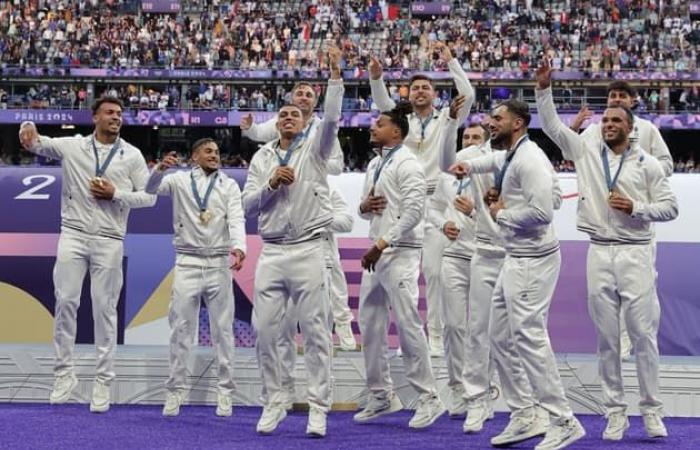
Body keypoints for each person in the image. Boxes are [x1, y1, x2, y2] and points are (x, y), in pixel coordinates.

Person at [536, 58, 678, 441]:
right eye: (606, 121)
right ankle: (615, 412)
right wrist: (544, 90)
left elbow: (671, 208)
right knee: (607, 339)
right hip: (599, 251)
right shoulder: (585, 149)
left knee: (644, 337)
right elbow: (550, 127)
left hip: (635, 251)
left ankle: (651, 412)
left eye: (617, 121)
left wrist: (638, 208)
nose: (609, 125)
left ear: (630, 129)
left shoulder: (647, 165)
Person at [449, 99, 585, 449]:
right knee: (500, 338)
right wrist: (469, 167)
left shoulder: (530, 160)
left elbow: (542, 213)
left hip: (532, 260)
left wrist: (500, 212)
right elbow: (495, 160)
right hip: (516, 257)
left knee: (529, 339)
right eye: (490, 117)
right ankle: (525, 412)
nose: (490, 122)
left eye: (497, 118)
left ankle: (562, 419)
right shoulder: (513, 153)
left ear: (519, 123)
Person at [18, 96, 155, 413]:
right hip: (74, 235)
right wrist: (26, 127)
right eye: (109, 112)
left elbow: (149, 197)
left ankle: (103, 382)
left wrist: (115, 194)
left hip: (109, 238)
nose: (115, 117)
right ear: (95, 117)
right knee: (66, 302)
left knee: (104, 310)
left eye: (119, 114)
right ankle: (64, 374)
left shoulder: (131, 155)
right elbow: (35, 142)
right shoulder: (73, 146)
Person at [241, 46, 344, 438]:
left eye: (295, 114)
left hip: (308, 248)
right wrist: (270, 184)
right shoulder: (262, 158)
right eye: (283, 113)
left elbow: (332, 118)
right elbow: (248, 204)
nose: (288, 117)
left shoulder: (317, 149)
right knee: (266, 330)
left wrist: (335, 77)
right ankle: (276, 399)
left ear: (304, 123)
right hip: (272, 251)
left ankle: (318, 407)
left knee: (316, 331)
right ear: (276, 121)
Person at [369, 42, 474, 356]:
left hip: (435, 200)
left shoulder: (447, 117)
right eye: (414, 88)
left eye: (426, 87)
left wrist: (452, 60)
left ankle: (437, 337)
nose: (419, 91)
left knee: (435, 273)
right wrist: (376, 78)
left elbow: (467, 93)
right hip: (402, 201)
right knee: (403, 274)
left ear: (434, 93)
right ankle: (409, 341)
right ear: (408, 94)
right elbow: (382, 103)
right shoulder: (402, 122)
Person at [241, 82, 355, 348]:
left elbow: (335, 152)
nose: (301, 100)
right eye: (298, 95)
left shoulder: (320, 137)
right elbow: (259, 132)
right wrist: (248, 129)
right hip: (276, 242)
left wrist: (315, 169)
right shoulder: (265, 154)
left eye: (308, 95)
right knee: (268, 326)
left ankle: (345, 337)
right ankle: (278, 380)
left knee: (329, 292)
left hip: (314, 210)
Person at [353, 102, 445, 429]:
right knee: (371, 325)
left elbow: (414, 213)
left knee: (407, 325)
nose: (371, 128)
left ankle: (429, 397)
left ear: (396, 131)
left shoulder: (410, 165)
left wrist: (382, 243)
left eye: (378, 124)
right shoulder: (375, 164)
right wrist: (364, 206)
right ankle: (381, 395)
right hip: (377, 252)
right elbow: (366, 211)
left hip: (400, 252)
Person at [571, 81, 673, 360]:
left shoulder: (648, 130)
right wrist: (573, 129)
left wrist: (638, 170)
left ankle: (636, 342)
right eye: (612, 96)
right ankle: (616, 345)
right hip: (605, 225)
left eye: (621, 96)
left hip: (637, 225)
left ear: (633, 100)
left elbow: (666, 164)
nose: (616, 99)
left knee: (640, 293)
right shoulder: (595, 131)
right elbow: (573, 154)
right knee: (605, 296)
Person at [144, 140, 246, 418]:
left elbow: (236, 218)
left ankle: (225, 392)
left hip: (218, 263)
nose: (215, 155)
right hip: (187, 262)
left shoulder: (229, 185)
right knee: (181, 330)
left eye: (217, 152)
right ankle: (175, 391)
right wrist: (158, 170)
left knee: (223, 331)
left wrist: (239, 246)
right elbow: (150, 190)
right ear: (194, 156)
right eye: (208, 151)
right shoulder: (177, 180)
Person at [276, 186, 357, 411]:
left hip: (320, 261)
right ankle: (285, 389)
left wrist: (318, 219)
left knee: (319, 331)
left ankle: (322, 392)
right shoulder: (281, 190)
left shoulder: (327, 190)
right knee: (284, 329)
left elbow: (347, 222)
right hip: (286, 261)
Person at [426, 98, 479, 419]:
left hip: (488, 255)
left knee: (485, 328)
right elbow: (432, 210)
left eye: (476, 138)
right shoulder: (447, 175)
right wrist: (442, 223)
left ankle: (483, 389)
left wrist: (475, 213)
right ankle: (459, 390)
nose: (471, 143)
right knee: (454, 326)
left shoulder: (494, 170)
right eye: (467, 139)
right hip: (454, 256)